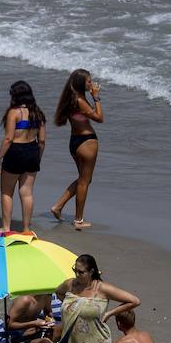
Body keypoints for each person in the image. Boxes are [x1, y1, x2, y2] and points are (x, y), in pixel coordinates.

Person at [50, 69, 103, 230]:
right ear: (81, 83)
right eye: (88, 81)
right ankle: (78, 219)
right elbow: (100, 118)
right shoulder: (80, 100)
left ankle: (58, 206)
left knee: (83, 179)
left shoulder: (71, 98)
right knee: (84, 181)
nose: (92, 83)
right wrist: (96, 97)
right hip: (86, 142)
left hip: (75, 141)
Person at [0, 80, 45, 233]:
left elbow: (9, 138)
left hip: (15, 151)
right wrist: (38, 157)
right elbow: (42, 141)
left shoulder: (14, 112)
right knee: (27, 192)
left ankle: (7, 227)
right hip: (32, 151)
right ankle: (26, 228)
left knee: (7, 192)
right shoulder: (38, 113)